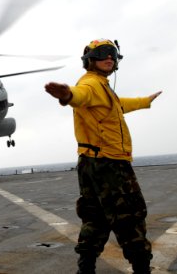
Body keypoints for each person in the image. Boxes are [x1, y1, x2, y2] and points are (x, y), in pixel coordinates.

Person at [45, 38, 161, 274]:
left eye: (113, 54)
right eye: (102, 54)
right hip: (111, 164)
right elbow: (80, 95)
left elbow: (118, 105)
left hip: (90, 164)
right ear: (90, 60)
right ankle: (142, 269)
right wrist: (66, 95)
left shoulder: (103, 88)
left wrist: (144, 101)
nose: (109, 57)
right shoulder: (91, 84)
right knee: (130, 215)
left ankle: (85, 269)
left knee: (95, 218)